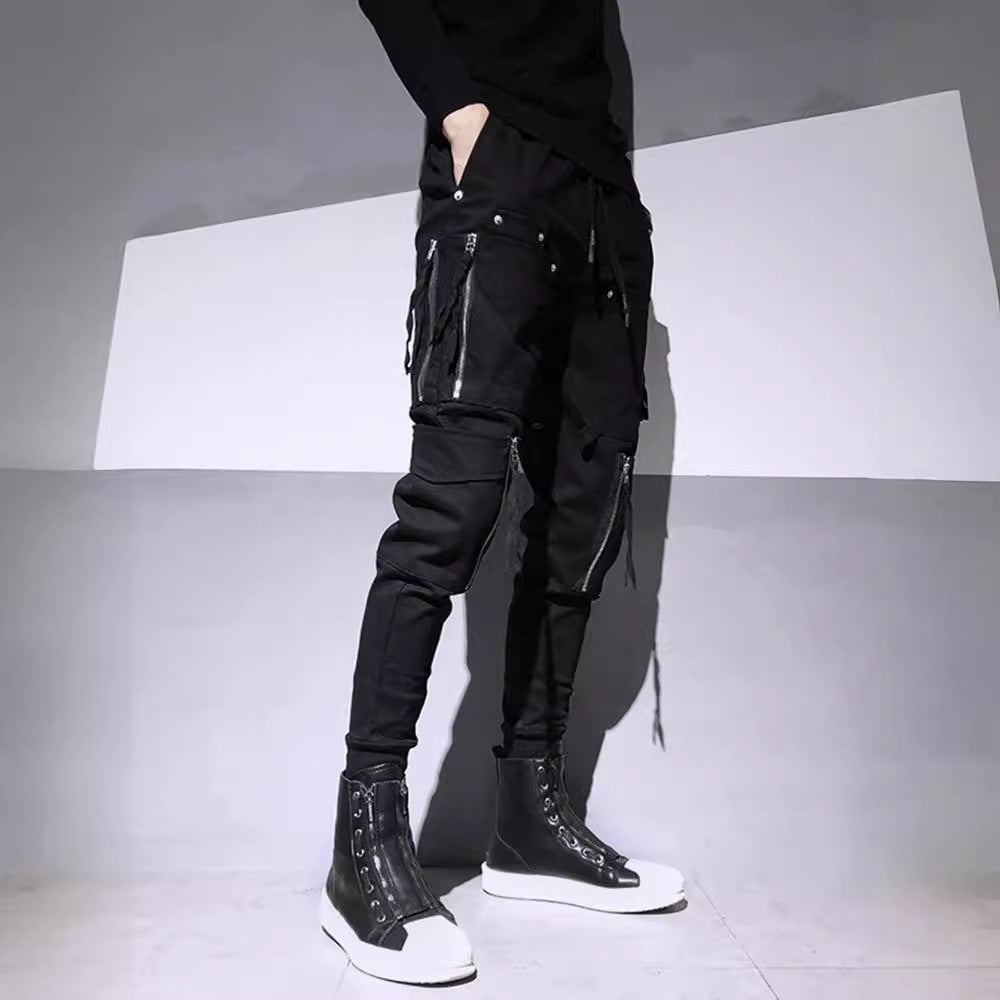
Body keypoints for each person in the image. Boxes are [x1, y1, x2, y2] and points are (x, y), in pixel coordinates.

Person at [319, 0, 684, 984]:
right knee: (452, 508)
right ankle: (363, 843)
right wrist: (458, 109)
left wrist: (613, 185)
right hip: (500, 165)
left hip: (602, 198)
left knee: (580, 521)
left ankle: (527, 821)